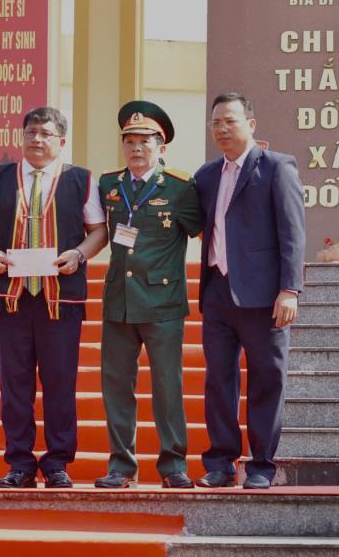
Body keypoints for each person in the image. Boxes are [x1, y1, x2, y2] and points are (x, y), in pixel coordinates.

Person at [0, 106, 108, 489]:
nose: (37, 140)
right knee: (14, 385)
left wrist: (79, 255)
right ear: (22, 137)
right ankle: (20, 463)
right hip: (10, 297)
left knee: (60, 383)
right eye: (31, 132)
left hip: (60, 299)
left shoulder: (81, 179)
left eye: (46, 134)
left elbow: (98, 230)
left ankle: (58, 462)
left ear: (61, 141)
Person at [194, 92, 305, 490]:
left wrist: (289, 289)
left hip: (264, 295)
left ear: (251, 125)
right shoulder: (206, 175)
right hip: (218, 291)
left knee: (266, 378)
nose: (222, 129)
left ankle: (261, 465)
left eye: (230, 121)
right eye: (216, 123)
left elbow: (292, 232)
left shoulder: (276, 167)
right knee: (218, 380)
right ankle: (220, 463)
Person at [94, 101, 204, 490]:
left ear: (162, 146)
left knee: (167, 386)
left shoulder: (180, 187)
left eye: (145, 141)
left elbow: (205, 232)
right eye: (129, 141)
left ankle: (173, 465)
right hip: (119, 301)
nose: (136, 148)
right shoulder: (109, 185)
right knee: (116, 385)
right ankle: (121, 466)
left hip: (162, 303)